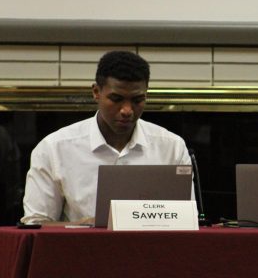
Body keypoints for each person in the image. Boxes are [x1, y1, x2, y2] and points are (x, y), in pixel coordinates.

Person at [21, 51, 192, 225]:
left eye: (137, 100)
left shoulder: (172, 147)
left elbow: (187, 220)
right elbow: (35, 225)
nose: (127, 110)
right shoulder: (54, 148)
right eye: (116, 99)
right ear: (96, 92)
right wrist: (86, 226)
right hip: (81, 250)